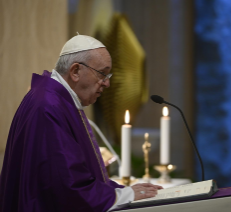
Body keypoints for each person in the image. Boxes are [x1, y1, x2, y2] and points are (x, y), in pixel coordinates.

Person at [0, 35, 162, 212]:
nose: (107, 83)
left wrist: (120, 190)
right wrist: (127, 195)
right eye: (102, 73)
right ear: (75, 71)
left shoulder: (57, 99)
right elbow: (66, 187)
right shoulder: (49, 106)